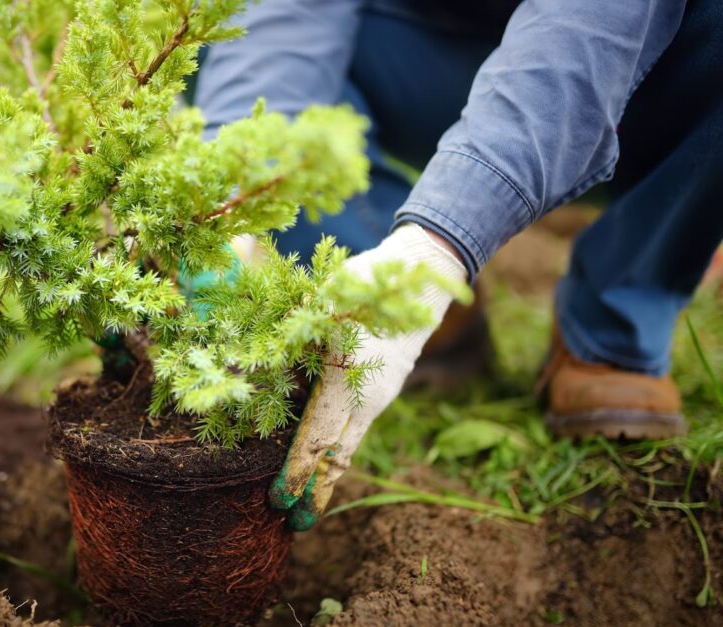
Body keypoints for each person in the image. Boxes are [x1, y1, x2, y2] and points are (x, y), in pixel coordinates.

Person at [194, 0, 723, 530]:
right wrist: (235, 185)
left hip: (635, 66)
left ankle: (613, 321)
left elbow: (589, 28)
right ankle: (378, 278)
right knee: (204, 29)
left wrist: (439, 246)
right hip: (430, 43)